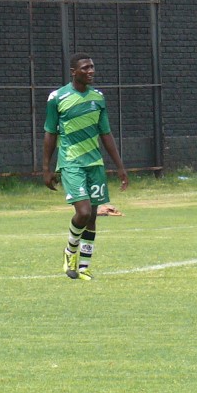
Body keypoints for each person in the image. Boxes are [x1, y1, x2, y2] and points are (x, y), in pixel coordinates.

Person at [43, 54, 128, 280]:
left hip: (94, 163)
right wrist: (46, 168)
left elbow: (106, 133)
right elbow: (50, 133)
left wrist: (120, 167)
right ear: (73, 71)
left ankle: (83, 267)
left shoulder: (98, 97)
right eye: (85, 68)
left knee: (92, 218)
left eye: (92, 67)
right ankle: (70, 250)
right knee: (83, 212)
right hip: (71, 162)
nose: (91, 71)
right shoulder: (57, 98)